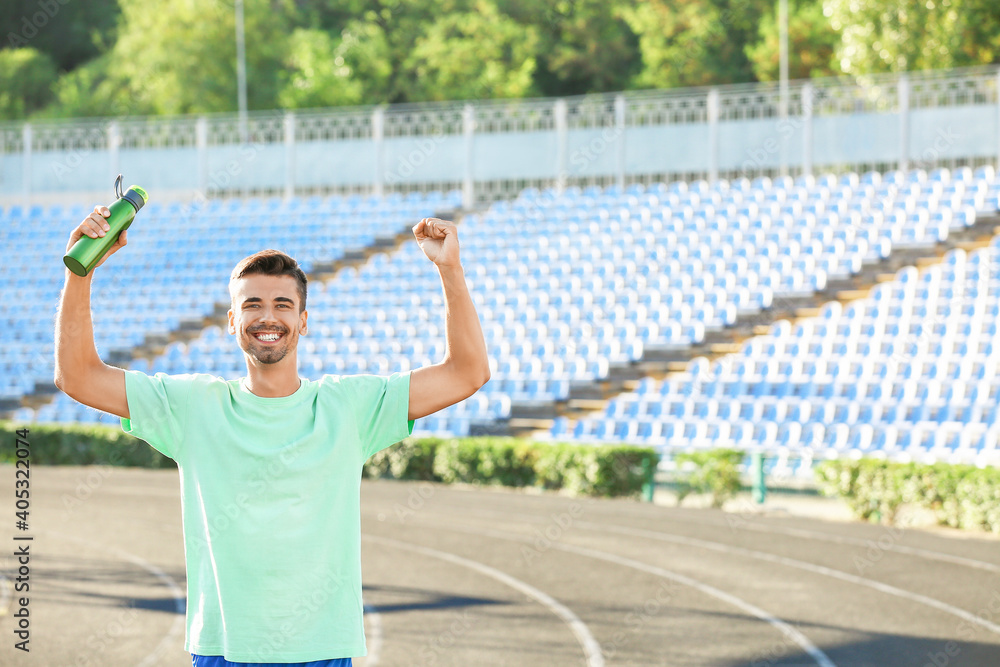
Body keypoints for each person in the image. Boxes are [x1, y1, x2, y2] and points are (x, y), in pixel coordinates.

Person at [54, 207, 491, 666]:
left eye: (283, 305)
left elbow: (467, 372)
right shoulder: (193, 406)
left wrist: (450, 269)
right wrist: (80, 272)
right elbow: (77, 376)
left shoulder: (349, 406)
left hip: (322, 652)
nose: (268, 317)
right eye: (252, 305)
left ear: (303, 320)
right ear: (231, 321)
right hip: (224, 651)